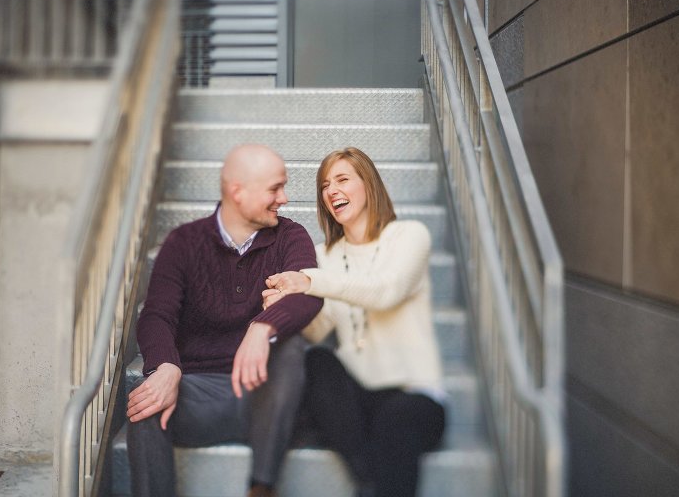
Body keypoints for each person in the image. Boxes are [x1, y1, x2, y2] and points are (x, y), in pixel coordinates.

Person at [127, 144, 323, 497]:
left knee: (292, 347)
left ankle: (261, 488)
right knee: (145, 404)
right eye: (275, 188)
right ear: (238, 192)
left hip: (271, 396)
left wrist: (262, 327)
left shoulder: (290, 236)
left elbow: (307, 295)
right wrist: (165, 367)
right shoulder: (184, 243)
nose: (285, 198)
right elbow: (157, 315)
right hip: (204, 394)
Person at [263, 147, 446, 497]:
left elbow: (386, 291)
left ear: (369, 184)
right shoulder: (324, 256)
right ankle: (367, 480)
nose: (331, 191)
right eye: (325, 185)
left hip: (415, 396)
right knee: (317, 361)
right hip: (358, 400)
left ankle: (370, 483)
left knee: (395, 420)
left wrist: (312, 281)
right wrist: (287, 307)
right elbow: (320, 328)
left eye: (343, 179)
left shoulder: (409, 236)